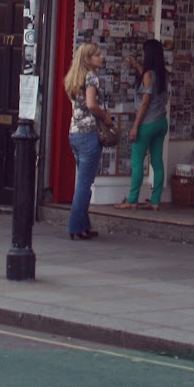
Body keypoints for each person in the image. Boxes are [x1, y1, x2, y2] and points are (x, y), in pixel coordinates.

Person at [64, 42, 114, 241]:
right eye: (97, 55)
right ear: (88, 59)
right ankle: (75, 226)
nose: (101, 57)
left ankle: (83, 226)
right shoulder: (91, 77)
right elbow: (92, 104)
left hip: (74, 134)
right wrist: (105, 117)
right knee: (85, 184)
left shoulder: (73, 77)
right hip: (89, 135)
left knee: (82, 181)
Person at [117, 40, 169, 210]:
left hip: (147, 123)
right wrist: (137, 65)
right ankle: (155, 201)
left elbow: (145, 102)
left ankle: (132, 199)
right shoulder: (162, 74)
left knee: (137, 160)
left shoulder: (148, 75)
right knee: (157, 161)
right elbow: (150, 81)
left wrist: (135, 126)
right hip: (161, 122)